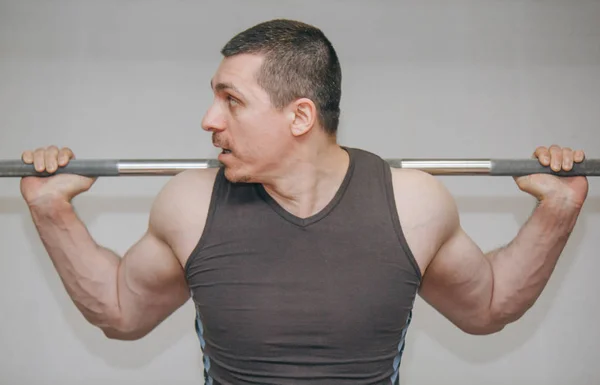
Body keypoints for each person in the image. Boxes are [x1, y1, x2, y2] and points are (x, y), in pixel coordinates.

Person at [19, 19, 588, 385]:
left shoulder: (412, 201)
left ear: (299, 116)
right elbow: (122, 313)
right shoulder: (190, 203)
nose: (209, 120)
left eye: (231, 101)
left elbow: (485, 307)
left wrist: (557, 211)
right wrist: (52, 211)